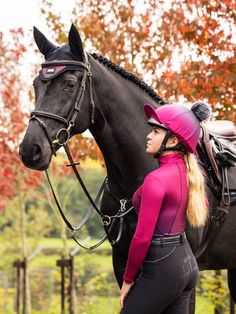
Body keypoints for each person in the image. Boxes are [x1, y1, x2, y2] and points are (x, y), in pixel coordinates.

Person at [120, 102, 210, 314]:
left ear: (173, 140)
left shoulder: (156, 180)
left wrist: (127, 279)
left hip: (162, 268)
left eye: (156, 131)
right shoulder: (190, 174)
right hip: (186, 264)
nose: (148, 136)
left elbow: (142, 238)